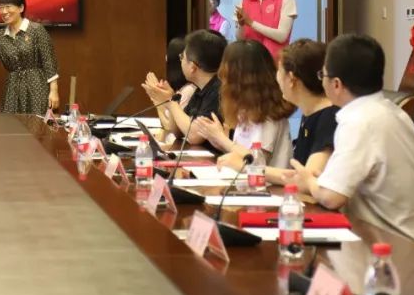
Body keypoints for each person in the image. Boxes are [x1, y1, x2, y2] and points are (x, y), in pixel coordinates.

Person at [289, 34, 414, 241]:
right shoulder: (389, 111)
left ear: (336, 84)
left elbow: (330, 197)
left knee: (290, 241)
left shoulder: (359, 121)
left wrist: (309, 182)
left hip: (390, 246)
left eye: (323, 75)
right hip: (394, 236)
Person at [198, 40, 295, 174]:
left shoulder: (269, 114)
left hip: (270, 186)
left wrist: (222, 139)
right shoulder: (246, 109)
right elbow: (240, 155)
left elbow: (256, 163)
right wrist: (219, 142)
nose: (222, 78)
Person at [142, 29, 226, 145]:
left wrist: (171, 102)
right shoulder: (200, 89)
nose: (181, 61)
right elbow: (177, 131)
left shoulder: (217, 90)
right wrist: (172, 99)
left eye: (182, 57)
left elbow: (195, 136)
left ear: (192, 67)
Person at [275, 39, 339, 181]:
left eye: (279, 71)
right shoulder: (309, 113)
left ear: (291, 79)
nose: (277, 77)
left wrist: (255, 170)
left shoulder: (329, 118)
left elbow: (308, 177)